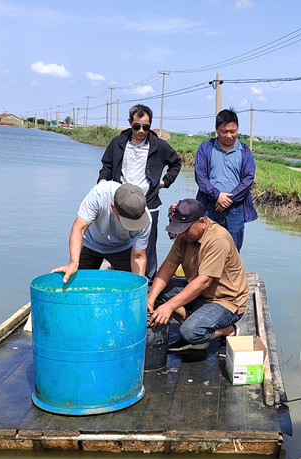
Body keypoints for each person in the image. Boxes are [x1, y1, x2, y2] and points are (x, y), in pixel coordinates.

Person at [147, 198, 248, 352]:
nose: (181, 234)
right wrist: (151, 298)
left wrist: (169, 306)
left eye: (185, 229)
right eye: (179, 229)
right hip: (200, 294)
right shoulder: (184, 236)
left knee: (190, 332)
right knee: (155, 292)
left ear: (202, 222)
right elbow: (169, 266)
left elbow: (204, 281)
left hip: (225, 300)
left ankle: (229, 330)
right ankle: (191, 322)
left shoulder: (218, 239)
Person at [98, 104, 183, 280]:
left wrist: (164, 182)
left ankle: (148, 283)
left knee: (147, 246)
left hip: (148, 203)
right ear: (130, 122)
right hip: (121, 203)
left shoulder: (159, 145)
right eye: (137, 126)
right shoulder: (118, 143)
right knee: (120, 243)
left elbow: (176, 163)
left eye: (146, 127)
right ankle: (121, 279)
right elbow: (106, 166)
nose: (141, 131)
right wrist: (103, 181)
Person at [51, 182, 152, 282]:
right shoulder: (99, 194)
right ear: (113, 207)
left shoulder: (146, 220)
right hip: (91, 242)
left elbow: (138, 256)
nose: (133, 225)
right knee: (79, 281)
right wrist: (73, 262)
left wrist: (138, 285)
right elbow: (80, 228)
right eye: (128, 221)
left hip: (122, 247)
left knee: (129, 282)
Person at [193, 107, 258, 252]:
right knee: (207, 247)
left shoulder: (244, 151)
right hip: (210, 206)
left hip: (235, 208)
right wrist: (217, 195)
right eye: (224, 131)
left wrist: (229, 199)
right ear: (217, 129)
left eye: (233, 131)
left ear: (237, 129)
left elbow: (248, 178)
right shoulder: (206, 148)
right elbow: (200, 176)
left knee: (233, 249)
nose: (229, 135)